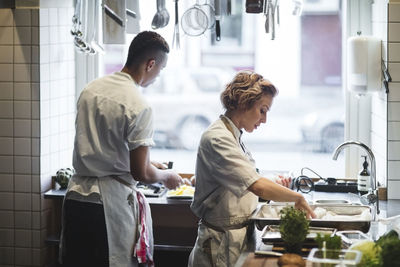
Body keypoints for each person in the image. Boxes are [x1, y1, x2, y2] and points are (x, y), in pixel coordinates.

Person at [60, 31, 183, 267]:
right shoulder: (139, 105)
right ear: (150, 64)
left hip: (77, 196)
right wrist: (166, 176)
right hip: (108, 206)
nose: (158, 75)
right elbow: (141, 174)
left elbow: (104, 146)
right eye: (161, 69)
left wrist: (147, 164)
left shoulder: (91, 89)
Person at [188, 70, 316, 267]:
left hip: (237, 238)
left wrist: (272, 183)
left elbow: (242, 180)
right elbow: (256, 186)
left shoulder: (233, 135)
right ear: (244, 103)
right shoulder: (217, 138)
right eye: (262, 110)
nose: (264, 120)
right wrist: (296, 197)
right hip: (220, 244)